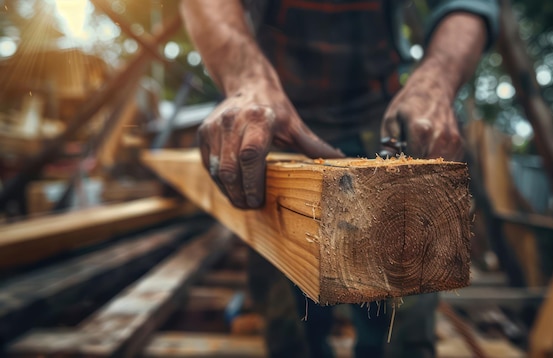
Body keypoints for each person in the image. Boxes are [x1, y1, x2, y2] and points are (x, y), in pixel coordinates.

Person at [180, 0, 499, 357]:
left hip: (384, 121)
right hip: (276, 122)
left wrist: (436, 83)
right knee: (291, 332)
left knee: (406, 324)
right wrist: (246, 79)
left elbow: (469, 4)